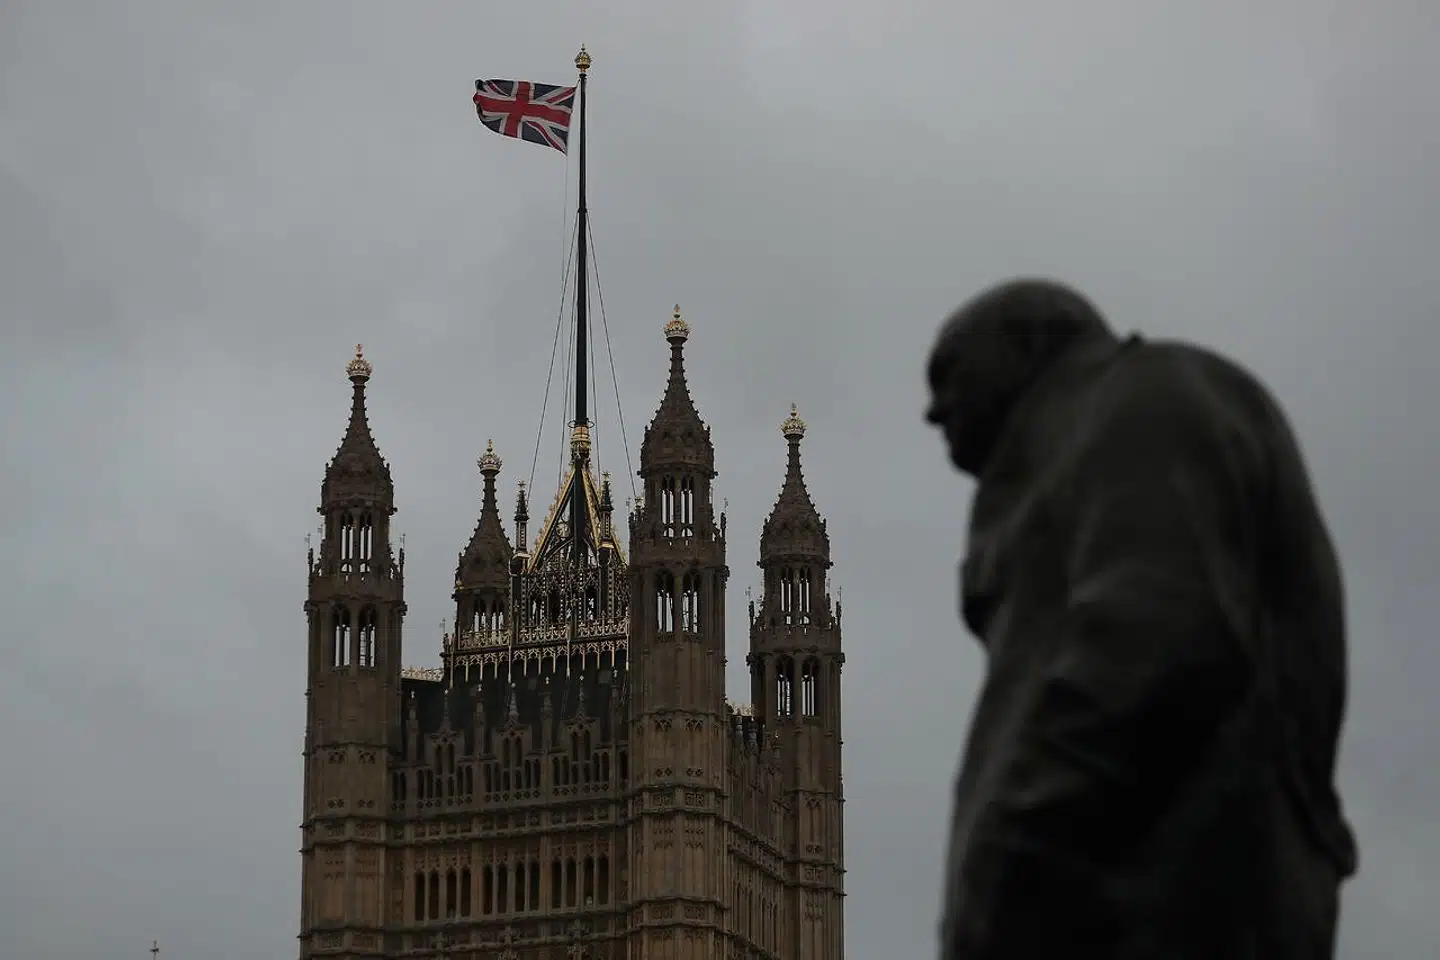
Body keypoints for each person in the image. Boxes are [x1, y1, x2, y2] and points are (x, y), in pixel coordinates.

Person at [925, 280, 1358, 959]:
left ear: (1029, 343)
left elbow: (1153, 641)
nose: (933, 411)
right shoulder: (1103, 430)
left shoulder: (1143, 403)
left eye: (949, 374)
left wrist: (1008, 858)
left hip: (1153, 905)